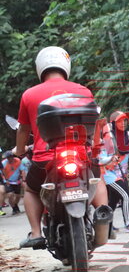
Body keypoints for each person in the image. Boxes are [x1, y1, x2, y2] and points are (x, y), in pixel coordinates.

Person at [15, 46, 110, 248]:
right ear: (65, 65)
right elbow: (93, 124)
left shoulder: (29, 95)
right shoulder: (83, 91)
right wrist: (93, 147)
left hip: (45, 159)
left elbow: (23, 129)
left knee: (30, 189)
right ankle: (104, 217)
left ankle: (35, 233)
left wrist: (20, 150)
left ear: (40, 67)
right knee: (97, 179)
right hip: (80, 156)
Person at [99, 111, 129, 233]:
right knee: (126, 194)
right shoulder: (107, 138)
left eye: (124, 120)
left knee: (114, 200)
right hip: (109, 174)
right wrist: (110, 158)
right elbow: (100, 159)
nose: (123, 123)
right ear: (113, 124)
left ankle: (105, 224)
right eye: (119, 121)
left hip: (122, 173)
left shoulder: (128, 136)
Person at [2, 149, 28, 215]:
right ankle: (14, 208)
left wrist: (23, 179)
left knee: (18, 196)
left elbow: (22, 170)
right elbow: (1, 173)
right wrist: (5, 180)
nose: (9, 159)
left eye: (10, 157)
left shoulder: (18, 161)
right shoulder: (3, 163)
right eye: (7, 157)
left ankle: (15, 205)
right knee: (10, 194)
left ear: (12, 156)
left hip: (17, 180)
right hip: (8, 181)